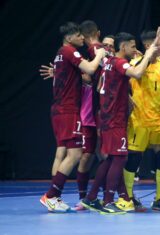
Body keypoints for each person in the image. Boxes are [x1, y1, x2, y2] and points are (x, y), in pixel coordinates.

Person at [81, 28, 160, 214]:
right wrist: (150, 52)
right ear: (123, 46)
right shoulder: (119, 62)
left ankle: (91, 197)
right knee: (120, 158)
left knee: (110, 159)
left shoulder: (108, 62)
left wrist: (125, 97)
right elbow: (137, 73)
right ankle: (108, 200)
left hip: (108, 117)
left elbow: (105, 86)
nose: (135, 49)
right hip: (115, 119)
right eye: (133, 46)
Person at [39, 22, 106, 213]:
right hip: (68, 110)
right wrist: (101, 54)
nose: (81, 38)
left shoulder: (61, 54)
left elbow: (83, 76)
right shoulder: (70, 51)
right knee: (75, 154)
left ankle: (54, 197)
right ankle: (51, 196)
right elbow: (91, 69)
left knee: (65, 152)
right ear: (69, 38)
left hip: (60, 109)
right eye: (78, 35)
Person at [121, 30, 160, 212]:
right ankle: (129, 197)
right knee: (134, 158)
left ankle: (159, 199)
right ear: (149, 47)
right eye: (159, 44)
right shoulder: (135, 64)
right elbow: (122, 85)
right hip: (139, 120)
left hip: (158, 120)